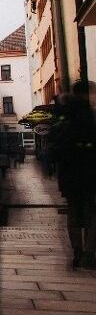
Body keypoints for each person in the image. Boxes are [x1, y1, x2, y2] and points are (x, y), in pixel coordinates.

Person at [52, 81, 96, 269]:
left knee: (73, 214)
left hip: (69, 175)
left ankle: (77, 252)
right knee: (92, 214)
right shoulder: (91, 116)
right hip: (91, 174)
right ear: (88, 94)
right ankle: (89, 254)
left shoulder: (63, 117)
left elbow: (55, 146)